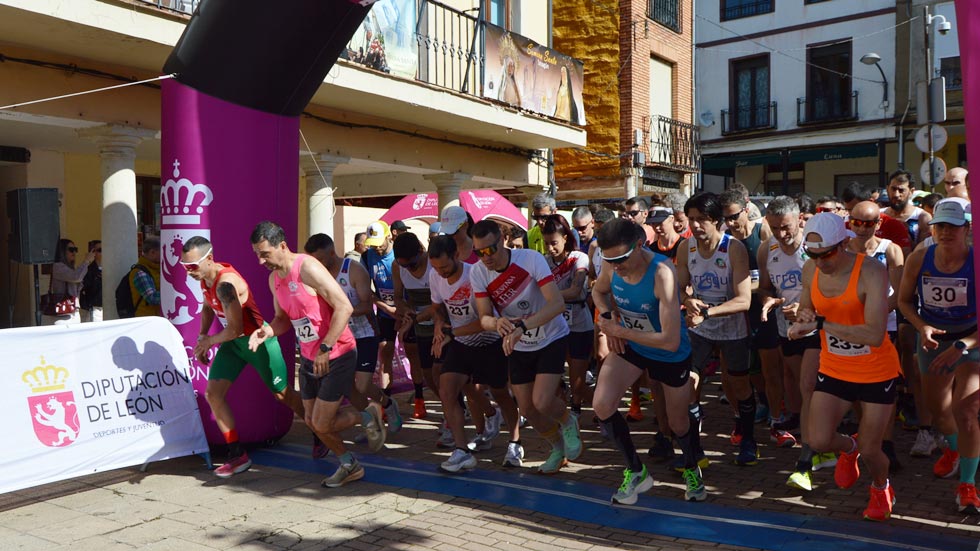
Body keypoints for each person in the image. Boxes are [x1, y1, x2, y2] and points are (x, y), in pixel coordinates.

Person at [249, 221, 385, 488]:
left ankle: (367, 418)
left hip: (338, 352)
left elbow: (344, 307)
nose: (260, 261)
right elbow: (282, 319)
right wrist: (267, 332)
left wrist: (326, 347)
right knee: (312, 422)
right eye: (257, 254)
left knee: (322, 423)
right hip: (310, 356)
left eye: (264, 254)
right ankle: (351, 461)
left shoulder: (308, 267)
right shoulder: (274, 279)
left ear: (282, 246)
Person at [788, 213, 901, 522]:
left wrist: (821, 324)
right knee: (818, 440)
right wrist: (801, 320)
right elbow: (807, 308)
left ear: (844, 244)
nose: (820, 262)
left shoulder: (872, 272)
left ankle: (880, 487)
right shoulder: (811, 269)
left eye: (826, 254)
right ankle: (849, 448)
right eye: (812, 254)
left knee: (872, 448)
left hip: (876, 371)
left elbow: (874, 334)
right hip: (835, 367)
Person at [592, 218, 704, 504]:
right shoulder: (612, 263)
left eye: (621, 259)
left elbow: (670, 340)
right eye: (609, 260)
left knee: (677, 423)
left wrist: (619, 331)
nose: (616, 266)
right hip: (632, 346)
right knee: (602, 405)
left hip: (668, 354)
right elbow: (598, 291)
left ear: (640, 245)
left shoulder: (663, 273)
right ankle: (636, 471)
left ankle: (692, 467)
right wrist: (608, 315)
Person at [181, 236, 307, 477]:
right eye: (185, 267)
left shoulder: (225, 284)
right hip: (233, 344)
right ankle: (237, 454)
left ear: (209, 259)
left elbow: (236, 329)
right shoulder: (205, 278)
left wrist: (209, 342)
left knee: (283, 395)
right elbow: (207, 308)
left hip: (257, 340)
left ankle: (319, 429)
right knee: (213, 394)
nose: (189, 271)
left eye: (193, 266)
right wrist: (202, 336)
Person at [470, 220, 581, 474]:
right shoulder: (478, 272)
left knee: (542, 401)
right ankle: (557, 449)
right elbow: (484, 317)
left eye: (490, 250)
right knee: (528, 410)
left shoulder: (530, 259)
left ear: (503, 241)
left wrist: (523, 326)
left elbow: (557, 304)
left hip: (550, 336)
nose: (485, 257)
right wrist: (496, 323)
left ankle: (568, 420)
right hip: (519, 344)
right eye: (479, 252)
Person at [898, 199, 980, 513]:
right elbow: (904, 301)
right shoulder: (920, 258)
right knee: (938, 410)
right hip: (933, 340)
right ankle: (956, 449)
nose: (945, 232)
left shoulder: (975, 261)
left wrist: (963, 345)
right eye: (940, 226)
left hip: (972, 340)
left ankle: (968, 485)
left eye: (953, 227)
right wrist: (922, 327)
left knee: (966, 411)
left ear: (967, 228)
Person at [676, 192, 756, 466]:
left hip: (732, 328)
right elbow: (679, 288)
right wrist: (688, 300)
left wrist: (707, 312)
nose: (695, 225)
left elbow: (744, 300)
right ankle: (694, 450)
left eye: (702, 219)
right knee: (689, 384)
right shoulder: (686, 248)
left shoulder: (733, 248)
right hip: (700, 329)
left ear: (716, 220)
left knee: (739, 386)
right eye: (691, 219)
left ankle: (748, 440)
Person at [428, 235, 521, 471]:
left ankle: (515, 442)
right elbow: (437, 307)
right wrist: (439, 323)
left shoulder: (476, 275)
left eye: (444, 267)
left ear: (457, 255)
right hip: (461, 341)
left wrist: (451, 333)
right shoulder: (435, 276)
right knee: (447, 389)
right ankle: (461, 451)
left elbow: (485, 321)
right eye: (436, 268)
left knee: (500, 393)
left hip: (490, 340)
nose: (440, 272)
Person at [757, 197, 827, 491]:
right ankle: (823, 441)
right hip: (787, 328)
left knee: (809, 385)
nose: (781, 234)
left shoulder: (815, 246)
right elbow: (764, 288)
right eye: (774, 228)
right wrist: (769, 301)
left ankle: (807, 457)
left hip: (817, 327)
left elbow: (833, 290)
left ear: (799, 219)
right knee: (803, 388)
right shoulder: (767, 249)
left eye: (786, 227)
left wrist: (807, 310)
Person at [305, 234, 402, 435]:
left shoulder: (354, 270)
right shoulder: (316, 274)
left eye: (320, 259)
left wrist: (342, 311)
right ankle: (371, 423)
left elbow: (367, 305)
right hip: (339, 336)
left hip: (363, 333)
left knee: (363, 385)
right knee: (349, 388)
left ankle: (388, 404)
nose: (317, 264)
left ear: (332, 253)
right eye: (314, 260)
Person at [847, 201, 906, 470]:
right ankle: (866, 438)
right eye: (856, 223)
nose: (861, 229)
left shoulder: (890, 250)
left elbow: (899, 294)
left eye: (868, 224)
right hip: (850, 327)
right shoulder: (842, 249)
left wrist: (874, 314)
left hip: (884, 326)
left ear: (879, 224)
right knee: (855, 386)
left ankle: (887, 443)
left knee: (885, 388)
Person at [720, 189, 778, 444]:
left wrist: (758, 290)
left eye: (734, 216)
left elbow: (774, 270)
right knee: (743, 367)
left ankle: (776, 414)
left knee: (769, 365)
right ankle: (758, 404)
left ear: (746, 209)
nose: (731, 222)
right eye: (726, 218)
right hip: (736, 309)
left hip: (762, 307)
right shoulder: (725, 239)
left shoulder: (762, 231)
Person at [541, 214, 593, 418]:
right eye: (546, 243)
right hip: (554, 326)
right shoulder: (543, 261)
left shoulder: (579, 258)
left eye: (554, 243)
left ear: (565, 238)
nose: (550, 248)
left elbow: (575, 290)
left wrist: (548, 295)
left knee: (578, 381)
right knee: (552, 378)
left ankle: (597, 409)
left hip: (579, 322)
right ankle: (565, 416)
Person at [392, 232, 442, 432]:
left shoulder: (434, 263)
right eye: (403, 265)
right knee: (428, 374)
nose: (408, 269)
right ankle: (450, 406)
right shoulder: (398, 267)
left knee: (444, 373)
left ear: (421, 251)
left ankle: (455, 409)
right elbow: (398, 297)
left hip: (441, 323)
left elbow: (441, 303)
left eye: (412, 264)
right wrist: (405, 310)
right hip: (419, 327)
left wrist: (418, 318)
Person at [361, 221, 403, 415]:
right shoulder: (367, 257)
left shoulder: (399, 254)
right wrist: (386, 307)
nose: (376, 248)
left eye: (379, 243)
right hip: (385, 311)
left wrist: (401, 309)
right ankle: (387, 401)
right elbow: (365, 289)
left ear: (389, 237)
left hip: (407, 309)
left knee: (414, 353)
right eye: (372, 244)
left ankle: (420, 395)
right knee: (385, 352)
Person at [46, 238, 96, 325]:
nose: (74, 252)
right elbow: (76, 277)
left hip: (73, 312)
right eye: (71, 249)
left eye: (75, 249)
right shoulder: (58, 267)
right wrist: (86, 261)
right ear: (62, 251)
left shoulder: (70, 268)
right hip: (63, 314)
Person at [883, 170, 932, 247]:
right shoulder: (879, 215)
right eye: (893, 189)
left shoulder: (922, 218)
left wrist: (905, 234)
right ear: (887, 189)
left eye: (901, 190)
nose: (896, 194)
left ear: (911, 191)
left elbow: (924, 250)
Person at [131, 236, 162, 317]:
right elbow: (152, 298)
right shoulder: (140, 272)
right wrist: (173, 294)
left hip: (157, 318)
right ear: (152, 252)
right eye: (162, 251)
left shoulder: (157, 268)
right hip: (147, 319)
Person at [80, 240, 103, 323]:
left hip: (109, 308)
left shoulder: (110, 268)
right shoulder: (88, 270)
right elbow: (84, 288)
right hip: (95, 310)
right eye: (100, 250)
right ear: (93, 253)